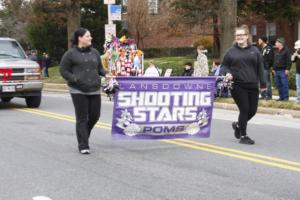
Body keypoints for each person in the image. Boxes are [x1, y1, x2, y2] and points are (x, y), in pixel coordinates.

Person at [60, 27, 107, 154]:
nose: (90, 38)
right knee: (82, 118)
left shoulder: (95, 52)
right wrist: (74, 78)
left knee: (95, 116)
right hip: (78, 89)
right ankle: (83, 145)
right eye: (88, 36)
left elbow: (100, 69)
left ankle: (84, 135)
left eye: (90, 36)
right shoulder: (70, 54)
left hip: (94, 88)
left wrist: (107, 74)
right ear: (80, 38)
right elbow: (63, 70)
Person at [222, 25, 266, 145]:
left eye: (242, 35)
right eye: (237, 35)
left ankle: (238, 125)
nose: (239, 37)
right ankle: (243, 135)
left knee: (253, 111)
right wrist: (228, 73)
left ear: (247, 36)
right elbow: (224, 66)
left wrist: (263, 84)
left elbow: (260, 68)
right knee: (245, 109)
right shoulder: (231, 52)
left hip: (252, 85)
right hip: (238, 85)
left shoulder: (255, 51)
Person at [257, 36, 274, 100]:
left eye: (259, 40)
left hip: (265, 68)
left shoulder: (268, 48)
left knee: (267, 82)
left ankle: (268, 96)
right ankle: (263, 95)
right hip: (260, 68)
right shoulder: (261, 49)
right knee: (261, 82)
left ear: (263, 40)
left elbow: (270, 59)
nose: (258, 41)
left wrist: (268, 66)